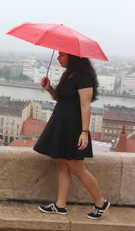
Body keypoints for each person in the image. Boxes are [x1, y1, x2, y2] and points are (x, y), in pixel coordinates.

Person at [34, 51, 110, 220]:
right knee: (62, 164)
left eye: (62, 54)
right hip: (61, 123)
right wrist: (48, 88)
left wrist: (84, 132)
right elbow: (61, 99)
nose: (58, 57)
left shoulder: (84, 77)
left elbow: (85, 105)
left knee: (77, 168)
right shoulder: (68, 74)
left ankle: (101, 202)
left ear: (73, 57)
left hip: (73, 127)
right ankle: (60, 205)